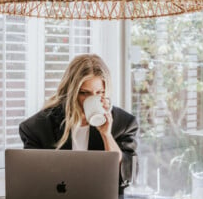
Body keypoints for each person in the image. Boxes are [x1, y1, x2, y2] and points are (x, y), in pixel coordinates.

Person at [19, 54, 138, 189]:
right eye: (84, 93)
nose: (92, 99)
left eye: (99, 92)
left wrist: (106, 135)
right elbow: (33, 180)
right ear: (70, 92)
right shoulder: (38, 127)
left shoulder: (124, 124)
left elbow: (127, 177)